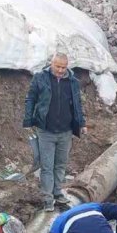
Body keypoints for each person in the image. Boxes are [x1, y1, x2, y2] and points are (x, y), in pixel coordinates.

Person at [23, 53, 87, 212]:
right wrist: (28, 120)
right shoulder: (40, 78)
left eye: (63, 67)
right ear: (52, 64)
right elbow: (30, 98)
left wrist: (81, 124)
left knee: (60, 165)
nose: (60, 70)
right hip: (46, 130)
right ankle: (47, 199)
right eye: (57, 66)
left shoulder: (72, 81)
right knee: (47, 166)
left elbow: (77, 104)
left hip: (65, 131)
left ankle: (58, 193)